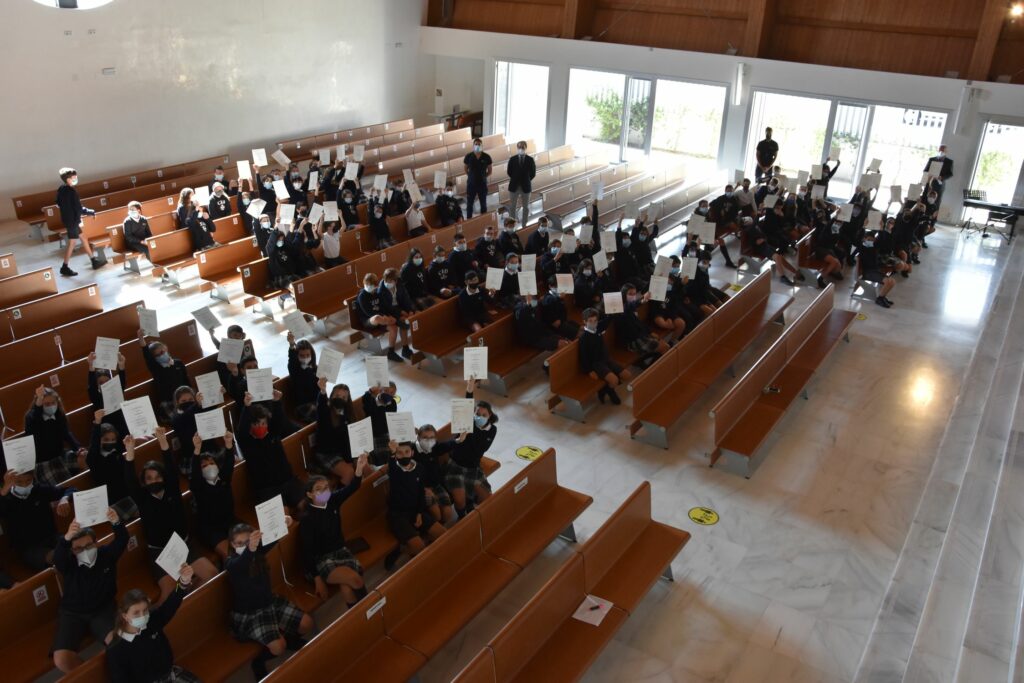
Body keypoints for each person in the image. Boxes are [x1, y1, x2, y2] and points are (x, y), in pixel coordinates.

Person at [124, 428, 218, 605]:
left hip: (184, 544)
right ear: (144, 482)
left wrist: (163, 441)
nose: (154, 481)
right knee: (168, 595)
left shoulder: (172, 489)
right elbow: (129, 479)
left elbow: (170, 465)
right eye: (149, 478)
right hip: (160, 552)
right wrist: (130, 450)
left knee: (212, 575)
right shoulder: (142, 498)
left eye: (158, 477)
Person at [226, 523, 314, 678]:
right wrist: (250, 549)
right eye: (240, 543)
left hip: (269, 602)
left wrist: (284, 524)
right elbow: (242, 564)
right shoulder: (232, 563)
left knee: (306, 623)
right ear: (233, 545)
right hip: (250, 613)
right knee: (279, 647)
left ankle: (288, 638)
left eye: (248, 541)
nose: (245, 546)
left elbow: (274, 537)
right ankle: (259, 661)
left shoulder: (257, 552)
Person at [51, 507, 125, 673]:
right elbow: (58, 559)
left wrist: (116, 522)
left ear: (96, 543)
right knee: (61, 659)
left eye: (89, 545)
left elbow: (122, 540)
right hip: (73, 613)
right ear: (72, 550)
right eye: (79, 548)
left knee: (118, 644)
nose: (85, 550)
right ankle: (92, 676)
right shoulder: (68, 563)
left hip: (102, 610)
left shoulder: (106, 555)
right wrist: (67, 537)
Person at [106, 564, 197, 683]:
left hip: (171, 673)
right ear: (125, 616)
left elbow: (170, 605)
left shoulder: (151, 620)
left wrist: (183, 582)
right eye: (136, 613)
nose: (142, 616)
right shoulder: (116, 648)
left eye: (145, 610)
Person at [299, 463, 370, 608]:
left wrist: (359, 468)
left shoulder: (332, 501)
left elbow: (353, 487)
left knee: (347, 587)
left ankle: (359, 619)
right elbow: (306, 551)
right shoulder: (307, 519)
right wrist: (317, 579)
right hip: (322, 559)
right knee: (355, 579)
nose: (324, 492)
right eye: (319, 489)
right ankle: (370, 610)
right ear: (310, 494)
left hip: (341, 551)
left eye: (326, 488)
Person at [383, 441, 445, 571]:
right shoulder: (395, 470)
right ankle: (402, 550)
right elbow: (393, 467)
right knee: (419, 547)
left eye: (406, 452)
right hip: (397, 515)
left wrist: (419, 513)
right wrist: (393, 453)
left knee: (442, 534)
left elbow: (420, 493)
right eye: (399, 453)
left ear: (412, 452)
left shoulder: (420, 468)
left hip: (414, 510)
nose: (404, 455)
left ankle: (410, 547)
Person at [237, 394, 305, 508]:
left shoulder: (273, 434)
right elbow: (241, 431)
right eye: (256, 424)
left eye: (263, 423)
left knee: (307, 506)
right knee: (284, 517)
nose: (260, 427)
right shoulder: (247, 443)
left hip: (289, 482)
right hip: (268, 490)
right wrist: (247, 407)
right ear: (250, 426)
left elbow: (280, 421)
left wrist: (277, 401)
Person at [0, 467, 71, 570]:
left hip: (51, 537)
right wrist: (3, 491)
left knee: (75, 544)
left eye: (28, 481)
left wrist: (65, 498)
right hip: (28, 548)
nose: (24, 485)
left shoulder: (39, 490)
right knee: (56, 557)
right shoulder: (7, 499)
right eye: (19, 482)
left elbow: (69, 489)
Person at [445, 380, 497, 516]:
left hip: (473, 467)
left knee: (487, 497)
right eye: (477, 414)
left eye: (484, 415)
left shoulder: (492, 430)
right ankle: (462, 518)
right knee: (459, 501)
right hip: (455, 466)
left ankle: (470, 500)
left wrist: (470, 434)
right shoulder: (467, 420)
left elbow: (480, 449)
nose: (480, 417)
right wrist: (470, 387)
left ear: (490, 416)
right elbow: (467, 402)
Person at [189, 431, 237, 561]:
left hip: (230, 522)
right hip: (211, 529)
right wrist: (197, 449)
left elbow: (229, 463)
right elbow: (195, 475)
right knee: (231, 556)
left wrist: (228, 444)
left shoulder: (224, 479)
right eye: (204, 466)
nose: (209, 467)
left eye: (211, 463)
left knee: (252, 544)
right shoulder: (199, 487)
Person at [25, 384, 86, 486]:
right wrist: (39, 399)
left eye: (53, 403)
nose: (51, 406)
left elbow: (67, 434)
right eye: (47, 404)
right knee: (62, 483)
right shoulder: (32, 418)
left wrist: (78, 449)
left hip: (60, 455)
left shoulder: (59, 415)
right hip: (43, 462)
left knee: (88, 460)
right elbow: (35, 419)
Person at [87, 410, 137, 520]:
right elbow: (94, 445)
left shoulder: (117, 454)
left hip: (125, 496)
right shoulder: (94, 459)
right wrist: (97, 423)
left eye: (113, 439)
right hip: (110, 503)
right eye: (106, 439)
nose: (110, 442)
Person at [55, 167, 102, 276]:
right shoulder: (72, 191)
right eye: (74, 177)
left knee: (83, 238)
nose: (76, 178)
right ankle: (64, 267)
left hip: (69, 220)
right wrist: (91, 212)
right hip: (72, 221)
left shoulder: (61, 189)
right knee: (72, 243)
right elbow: (79, 208)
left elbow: (57, 203)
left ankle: (93, 260)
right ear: (68, 179)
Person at [579, 307, 631, 405]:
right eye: (590, 321)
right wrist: (589, 371)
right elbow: (583, 357)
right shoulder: (584, 339)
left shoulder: (598, 328)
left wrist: (614, 311)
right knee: (614, 380)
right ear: (585, 321)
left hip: (606, 359)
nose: (593, 323)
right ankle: (610, 390)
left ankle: (605, 389)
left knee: (627, 375)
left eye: (595, 321)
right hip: (597, 364)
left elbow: (608, 320)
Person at [313, 378, 358, 484]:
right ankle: (341, 496)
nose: (340, 399)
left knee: (364, 465)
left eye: (344, 397)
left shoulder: (347, 414)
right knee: (349, 472)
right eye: (337, 396)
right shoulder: (326, 412)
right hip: (326, 453)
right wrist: (323, 391)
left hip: (341, 451)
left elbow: (347, 440)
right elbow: (321, 406)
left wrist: (350, 459)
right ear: (332, 396)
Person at [413, 424, 457, 528]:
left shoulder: (434, 446)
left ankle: (440, 527)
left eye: (432, 437)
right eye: (425, 438)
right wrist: (423, 489)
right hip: (422, 489)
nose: (429, 441)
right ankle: (433, 528)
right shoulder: (412, 451)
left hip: (436, 485)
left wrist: (459, 440)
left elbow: (447, 445)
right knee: (436, 514)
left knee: (448, 513)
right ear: (418, 437)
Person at [356, 273, 406, 363]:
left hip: (383, 321)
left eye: (370, 285)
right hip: (368, 321)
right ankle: (397, 322)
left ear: (375, 285)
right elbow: (368, 313)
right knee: (377, 317)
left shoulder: (378, 293)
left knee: (394, 328)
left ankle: (391, 352)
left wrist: (388, 316)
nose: (368, 286)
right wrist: (387, 318)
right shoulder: (362, 296)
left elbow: (384, 307)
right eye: (366, 284)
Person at [138, 331, 191, 417]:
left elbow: (186, 380)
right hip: (169, 403)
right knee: (181, 419)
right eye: (157, 355)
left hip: (185, 399)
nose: (161, 355)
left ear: (166, 349)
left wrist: (191, 395)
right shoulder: (156, 369)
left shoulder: (178, 363)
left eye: (162, 352)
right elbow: (146, 354)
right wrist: (141, 338)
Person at [859, 231, 896, 308]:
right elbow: (857, 239)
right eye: (868, 239)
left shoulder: (874, 247)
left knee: (892, 281)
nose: (870, 242)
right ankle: (879, 299)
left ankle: (882, 296)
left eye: (872, 240)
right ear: (864, 239)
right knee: (888, 281)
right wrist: (864, 227)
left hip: (875, 271)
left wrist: (881, 229)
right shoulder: (861, 248)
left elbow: (881, 240)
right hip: (868, 273)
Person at [286, 335, 319, 423]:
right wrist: (292, 344)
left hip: (316, 402)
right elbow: (292, 359)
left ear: (312, 355)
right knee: (320, 414)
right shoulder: (295, 370)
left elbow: (319, 392)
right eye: (302, 355)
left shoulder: (315, 369)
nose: (305, 358)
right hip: (302, 406)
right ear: (297, 356)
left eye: (307, 355)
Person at [506, 141, 536, 227]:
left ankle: (524, 224)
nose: (521, 149)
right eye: (519, 147)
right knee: (512, 206)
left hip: (526, 186)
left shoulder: (530, 160)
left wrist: (525, 180)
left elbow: (533, 173)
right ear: (517, 148)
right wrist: (516, 179)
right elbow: (509, 172)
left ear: (525, 148)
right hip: (514, 186)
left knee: (525, 207)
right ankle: (512, 224)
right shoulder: (512, 159)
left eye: (522, 147)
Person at [463, 137, 493, 218]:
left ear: (482, 145)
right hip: (471, 185)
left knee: (483, 204)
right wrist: (471, 176)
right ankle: (469, 221)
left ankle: (483, 219)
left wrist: (483, 177)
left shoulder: (487, 157)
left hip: (482, 185)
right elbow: (465, 169)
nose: (477, 145)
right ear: (473, 145)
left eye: (479, 144)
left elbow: (490, 171)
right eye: (476, 144)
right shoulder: (468, 156)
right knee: (470, 204)